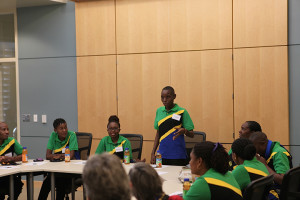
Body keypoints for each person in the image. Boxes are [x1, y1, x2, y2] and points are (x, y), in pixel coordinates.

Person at [151, 86, 194, 166]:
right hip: (161, 155)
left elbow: (192, 134)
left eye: (168, 97)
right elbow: (158, 133)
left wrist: (184, 131)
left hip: (178, 156)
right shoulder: (159, 111)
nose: (164, 100)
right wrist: (153, 153)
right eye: (162, 97)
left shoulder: (182, 111)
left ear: (174, 96)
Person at [38, 118, 78, 200]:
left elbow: (70, 156)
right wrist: (60, 155)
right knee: (47, 182)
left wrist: (58, 156)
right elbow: (48, 155)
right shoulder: (53, 135)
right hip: (57, 169)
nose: (64, 130)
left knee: (61, 181)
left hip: (69, 170)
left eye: (65, 127)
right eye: (61, 128)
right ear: (55, 130)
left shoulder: (72, 135)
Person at [0, 122, 23, 200]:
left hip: (9, 175)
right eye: (4, 130)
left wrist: (11, 159)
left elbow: (24, 155)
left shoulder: (11, 141)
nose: (7, 132)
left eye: (7, 129)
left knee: (18, 185)